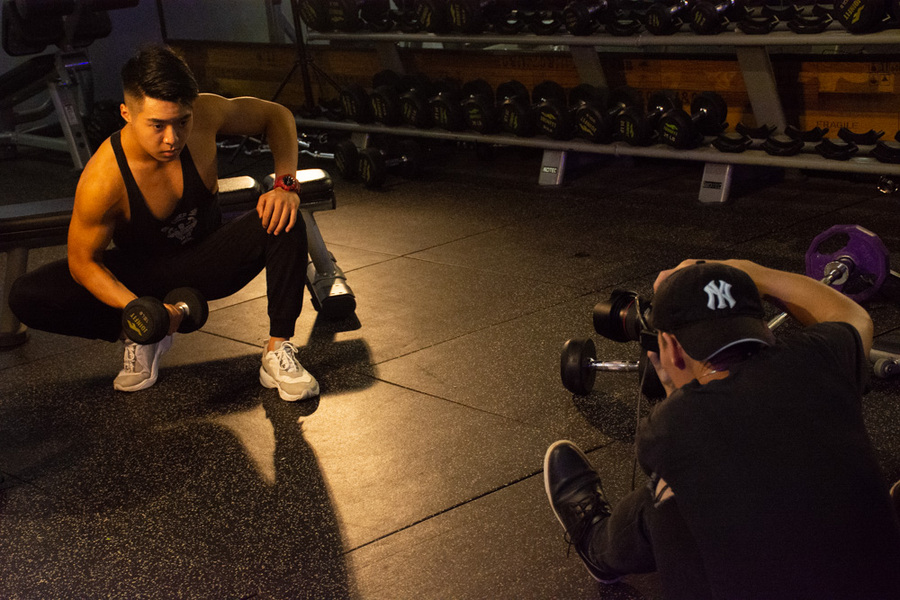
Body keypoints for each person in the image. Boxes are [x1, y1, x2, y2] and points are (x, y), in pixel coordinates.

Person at [545, 259, 900, 599]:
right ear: (764, 329)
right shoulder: (822, 358)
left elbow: (712, 441)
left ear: (669, 348)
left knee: (669, 495)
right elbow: (854, 316)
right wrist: (751, 271)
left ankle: (597, 546)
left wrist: (677, 394)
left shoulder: (669, 426)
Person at [9, 45, 318, 401]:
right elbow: (83, 262)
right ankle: (141, 334)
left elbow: (276, 115)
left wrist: (285, 185)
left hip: (210, 261)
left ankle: (277, 349)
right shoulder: (103, 178)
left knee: (284, 216)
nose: (172, 138)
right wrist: (139, 311)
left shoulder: (205, 114)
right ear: (126, 113)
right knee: (27, 295)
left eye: (182, 122)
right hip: (143, 276)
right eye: (157, 125)